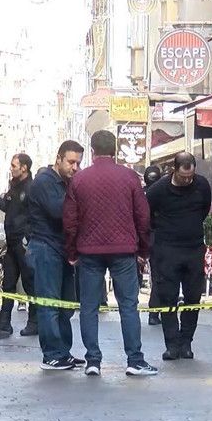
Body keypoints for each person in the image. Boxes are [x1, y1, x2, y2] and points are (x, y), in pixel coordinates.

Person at [63, 130, 157, 377]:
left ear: (92, 150)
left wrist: (72, 252)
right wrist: (143, 250)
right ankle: (134, 360)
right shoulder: (129, 177)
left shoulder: (79, 180)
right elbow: (143, 217)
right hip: (124, 250)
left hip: (89, 251)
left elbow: (70, 220)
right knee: (128, 305)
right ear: (115, 150)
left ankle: (93, 360)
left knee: (89, 307)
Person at [146, 152, 211, 360]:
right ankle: (172, 345)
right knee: (168, 297)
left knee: (193, 297)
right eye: (183, 177)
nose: (187, 180)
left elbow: (204, 210)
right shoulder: (158, 190)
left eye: (190, 176)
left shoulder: (202, 185)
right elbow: (147, 215)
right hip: (167, 250)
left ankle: (186, 342)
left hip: (194, 249)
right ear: (174, 170)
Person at [26, 140, 85, 370]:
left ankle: (63, 352)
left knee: (65, 305)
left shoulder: (67, 182)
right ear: (58, 158)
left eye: (78, 163)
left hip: (61, 249)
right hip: (45, 248)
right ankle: (51, 354)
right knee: (50, 305)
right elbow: (60, 211)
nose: (75, 167)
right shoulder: (44, 182)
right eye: (71, 162)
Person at [0, 153, 38, 338]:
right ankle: (4, 322)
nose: (11, 169)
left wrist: (28, 237)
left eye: (14, 165)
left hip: (23, 242)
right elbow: (7, 205)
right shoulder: (14, 186)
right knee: (9, 282)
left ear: (24, 168)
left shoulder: (31, 188)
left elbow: (35, 214)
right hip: (12, 241)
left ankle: (34, 321)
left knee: (29, 282)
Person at [143, 165, 164, 327]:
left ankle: (153, 313)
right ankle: (155, 313)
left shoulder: (140, 194)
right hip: (159, 238)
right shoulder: (163, 193)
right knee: (160, 278)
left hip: (141, 238)